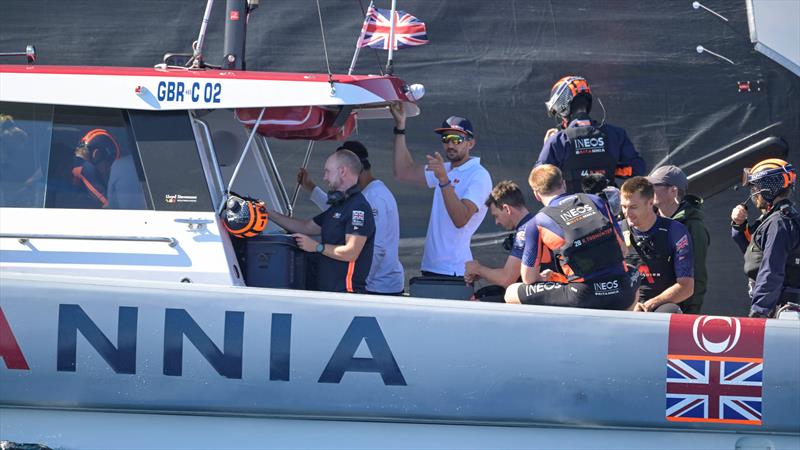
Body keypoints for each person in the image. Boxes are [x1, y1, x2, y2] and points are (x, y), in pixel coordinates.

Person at [504, 165, 636, 310]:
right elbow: (623, 250)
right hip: (622, 291)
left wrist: (548, 277)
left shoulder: (537, 222)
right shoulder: (595, 201)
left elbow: (529, 278)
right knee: (633, 271)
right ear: (563, 184)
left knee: (511, 292)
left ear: (536, 194)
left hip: (584, 295)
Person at [389, 103, 492, 277]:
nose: (451, 144)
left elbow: (460, 219)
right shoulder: (445, 168)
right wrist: (400, 128)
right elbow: (403, 172)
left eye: (457, 139)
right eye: (446, 139)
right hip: (431, 266)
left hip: (455, 271)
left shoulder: (479, 176)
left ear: (470, 143)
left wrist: (444, 180)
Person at [297, 141, 404, 295]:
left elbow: (377, 248)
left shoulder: (374, 198)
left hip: (379, 287)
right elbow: (337, 214)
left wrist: (360, 285)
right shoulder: (357, 196)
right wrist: (310, 187)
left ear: (345, 170)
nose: (327, 177)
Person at [269, 150, 375, 293]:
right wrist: (267, 213)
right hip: (328, 291)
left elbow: (351, 252)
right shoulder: (339, 205)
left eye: (327, 171)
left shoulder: (358, 207)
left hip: (346, 294)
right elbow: (305, 227)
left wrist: (316, 247)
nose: (325, 177)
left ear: (342, 171)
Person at [536, 75, 646, 194]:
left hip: (571, 208)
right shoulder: (615, 134)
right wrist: (607, 170)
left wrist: (547, 145)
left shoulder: (558, 140)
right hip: (606, 208)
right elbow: (637, 169)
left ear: (564, 107)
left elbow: (539, 179)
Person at [731, 158, 800, 318]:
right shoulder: (776, 219)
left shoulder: (779, 222)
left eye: (755, 188)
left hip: (780, 310)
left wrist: (759, 312)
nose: (753, 193)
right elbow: (755, 252)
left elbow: (771, 271)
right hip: (777, 307)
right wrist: (739, 226)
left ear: (768, 189)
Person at [620, 177, 694, 313]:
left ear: (650, 202)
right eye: (624, 207)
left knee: (669, 311)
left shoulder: (675, 231)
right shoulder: (617, 231)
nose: (627, 213)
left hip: (661, 304)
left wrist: (648, 305)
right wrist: (632, 305)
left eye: (633, 207)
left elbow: (686, 287)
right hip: (626, 303)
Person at [647, 165, 709, 314]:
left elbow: (697, 274)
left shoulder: (693, 227)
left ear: (673, 190)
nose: (648, 190)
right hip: (648, 306)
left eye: (655, 185)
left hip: (677, 311)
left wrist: (690, 313)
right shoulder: (649, 220)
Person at [464, 181, 535, 298]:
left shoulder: (525, 231)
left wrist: (477, 269)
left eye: (496, 216)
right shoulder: (535, 221)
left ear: (507, 209)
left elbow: (507, 279)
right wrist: (484, 273)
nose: (497, 222)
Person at [71, 129, 120, 208]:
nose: (109, 170)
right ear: (96, 155)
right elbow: (109, 205)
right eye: (108, 165)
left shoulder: (83, 163)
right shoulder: (84, 168)